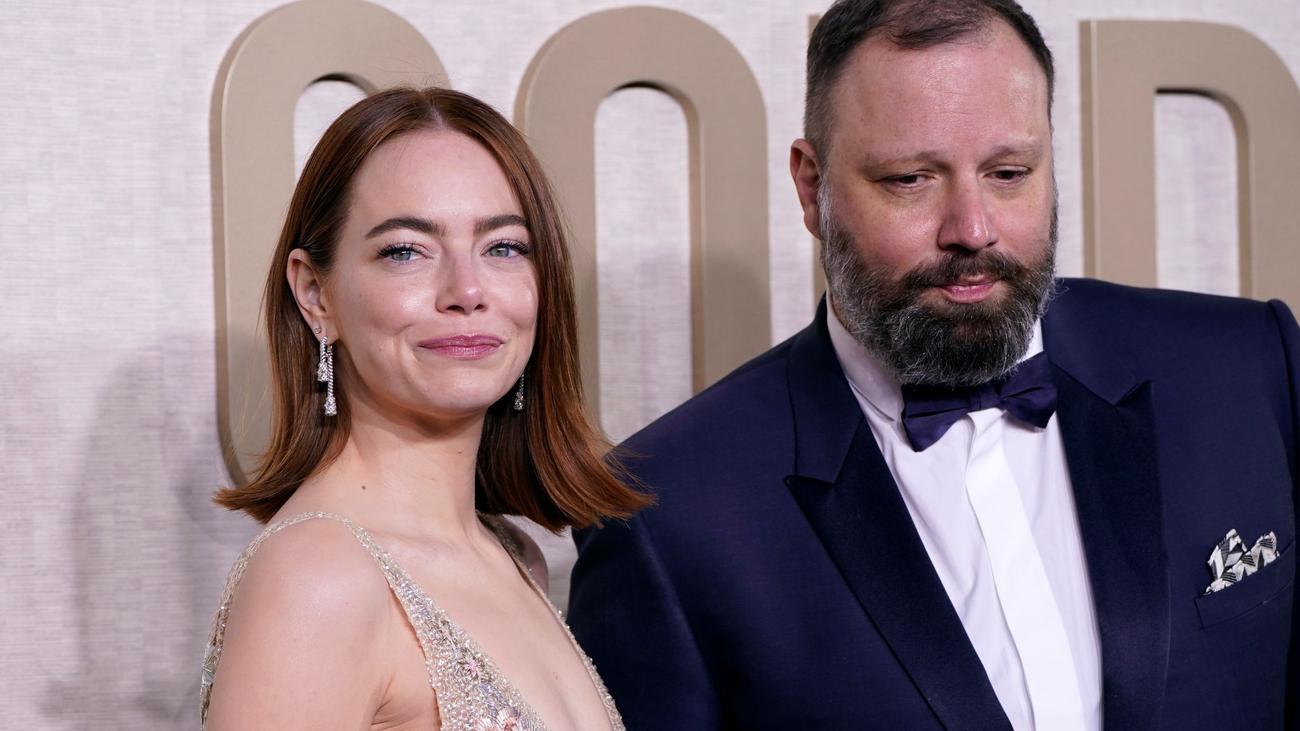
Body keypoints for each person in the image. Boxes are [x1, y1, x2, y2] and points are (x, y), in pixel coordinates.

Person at [567, 1, 1299, 729]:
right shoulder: (664, 518)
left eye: (1009, 172)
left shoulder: (1249, 368)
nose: (972, 229)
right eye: (910, 179)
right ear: (812, 187)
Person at [200, 87, 647, 730]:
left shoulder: (512, 554)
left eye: (504, 247)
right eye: (405, 250)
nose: (467, 290)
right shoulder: (317, 579)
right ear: (315, 294)